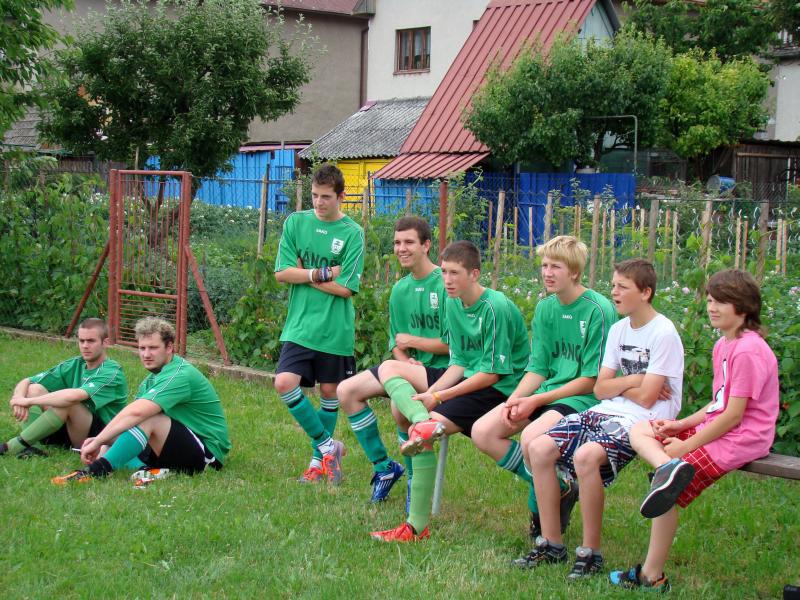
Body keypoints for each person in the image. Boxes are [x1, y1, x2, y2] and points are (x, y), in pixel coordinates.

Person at [610, 269, 779, 592]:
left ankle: (652, 576)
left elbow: (734, 416)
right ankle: (668, 468)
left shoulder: (748, 350)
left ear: (744, 307)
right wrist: (680, 425)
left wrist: (686, 447)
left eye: (721, 302)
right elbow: (719, 403)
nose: (712, 308)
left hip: (742, 438)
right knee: (644, 429)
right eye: (711, 300)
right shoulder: (725, 345)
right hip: (721, 427)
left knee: (666, 493)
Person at [518, 259, 684, 577]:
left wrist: (622, 385)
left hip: (644, 420)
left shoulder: (663, 332)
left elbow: (649, 398)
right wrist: (636, 379)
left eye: (623, 287)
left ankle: (590, 553)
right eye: (613, 286)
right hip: (608, 409)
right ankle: (551, 544)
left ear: (646, 293)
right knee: (539, 448)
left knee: (586, 456)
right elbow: (600, 387)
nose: (614, 293)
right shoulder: (619, 330)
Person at [370, 240, 529, 542]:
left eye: (455, 273)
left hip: (502, 389)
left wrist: (439, 396)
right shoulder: (453, 303)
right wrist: (431, 394)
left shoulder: (495, 307)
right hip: (473, 381)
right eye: (443, 272)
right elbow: (459, 363)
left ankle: (416, 528)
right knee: (390, 370)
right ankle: (416, 526)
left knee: (422, 433)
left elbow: (492, 373)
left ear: (474, 274)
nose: (447, 280)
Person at [471, 235, 616, 540]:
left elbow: (592, 380)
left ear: (574, 272)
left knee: (530, 438)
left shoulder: (598, 310)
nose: (547, 273)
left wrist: (537, 401)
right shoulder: (545, 308)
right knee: (483, 431)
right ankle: (558, 486)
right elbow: (538, 367)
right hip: (549, 392)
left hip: (583, 398)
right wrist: (514, 400)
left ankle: (541, 519)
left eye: (556, 267)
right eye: (545, 266)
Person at [337, 216, 449, 503]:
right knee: (346, 391)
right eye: (397, 243)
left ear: (426, 245)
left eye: (409, 242)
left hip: (442, 372)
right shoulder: (400, 290)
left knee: (400, 409)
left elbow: (454, 347)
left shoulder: (446, 283)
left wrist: (412, 344)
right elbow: (395, 343)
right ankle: (384, 468)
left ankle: (414, 482)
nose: (401, 248)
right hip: (406, 368)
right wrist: (406, 359)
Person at [52, 317, 231, 484]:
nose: (146, 354)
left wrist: (98, 439)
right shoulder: (150, 380)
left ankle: (96, 472)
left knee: (149, 419)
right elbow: (131, 424)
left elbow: (137, 413)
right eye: (142, 348)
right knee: (115, 441)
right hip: (175, 446)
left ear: (169, 347)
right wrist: (103, 444)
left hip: (208, 456)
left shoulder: (180, 375)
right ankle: (146, 470)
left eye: (153, 348)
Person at [273, 163, 364, 485]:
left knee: (329, 392)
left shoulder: (353, 233)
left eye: (326, 196)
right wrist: (322, 273)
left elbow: (347, 287)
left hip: (335, 329)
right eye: (314, 195)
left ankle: (317, 463)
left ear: (341, 196)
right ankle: (328, 446)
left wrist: (304, 275)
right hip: (300, 325)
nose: (319, 202)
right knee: (284, 382)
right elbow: (282, 272)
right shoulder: (296, 223)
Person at [1, 318, 127, 458]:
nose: (85, 346)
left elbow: (73, 397)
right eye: (81, 341)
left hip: (98, 438)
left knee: (69, 403)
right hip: (69, 428)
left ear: (105, 342)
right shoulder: (75, 364)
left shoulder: (112, 372)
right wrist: (18, 398)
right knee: (33, 389)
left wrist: (28, 402)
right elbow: (27, 381)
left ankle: (11, 447)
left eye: (91, 341)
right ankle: (33, 447)